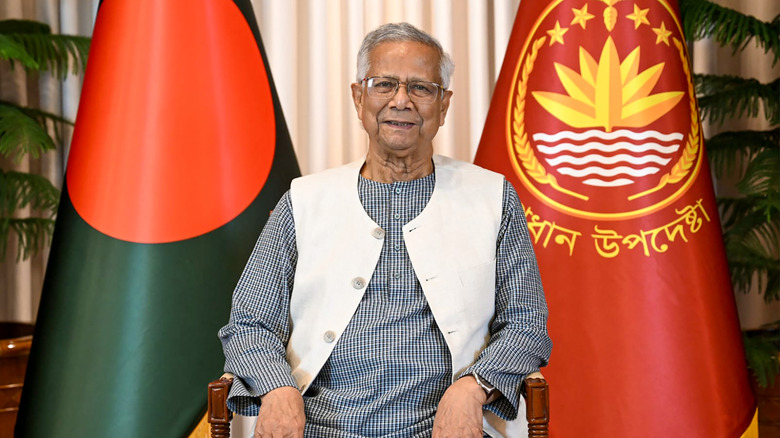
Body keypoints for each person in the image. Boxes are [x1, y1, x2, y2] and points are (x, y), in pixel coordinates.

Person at [218, 22, 552, 438]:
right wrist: (277, 387)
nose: (401, 101)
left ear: (443, 105)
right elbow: (251, 323)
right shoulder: (303, 201)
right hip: (320, 428)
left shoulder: (493, 197)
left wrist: (474, 386)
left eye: (421, 88)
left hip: (446, 429)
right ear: (359, 98)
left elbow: (526, 324)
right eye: (384, 84)